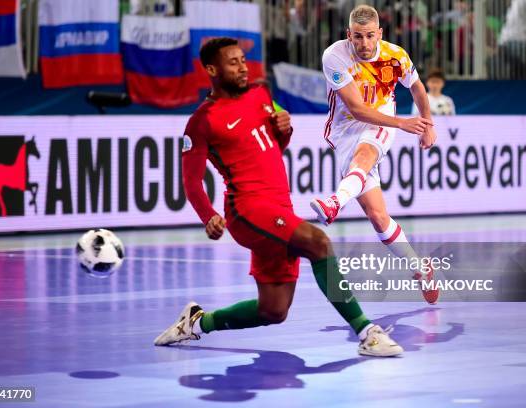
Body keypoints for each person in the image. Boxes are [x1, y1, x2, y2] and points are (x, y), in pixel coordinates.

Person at [154, 37, 403, 357]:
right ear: (212, 70)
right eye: (233, 62)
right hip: (246, 210)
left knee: (274, 310)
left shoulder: (260, 94)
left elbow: (273, 145)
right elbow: (191, 181)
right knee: (318, 243)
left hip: (278, 206)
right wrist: (208, 216)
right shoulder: (201, 122)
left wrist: (284, 129)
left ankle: (197, 323)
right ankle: (368, 333)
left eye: (244, 59)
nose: (243, 66)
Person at [310, 5, 439, 304]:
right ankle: (420, 268)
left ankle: (335, 202)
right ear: (348, 35)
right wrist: (404, 123)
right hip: (345, 130)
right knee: (378, 217)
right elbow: (356, 110)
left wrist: (427, 124)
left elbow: (418, 88)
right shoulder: (335, 56)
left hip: (381, 120)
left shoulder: (396, 55)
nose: (364, 44)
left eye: (370, 36)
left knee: (366, 152)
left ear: (379, 33)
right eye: (358, 37)